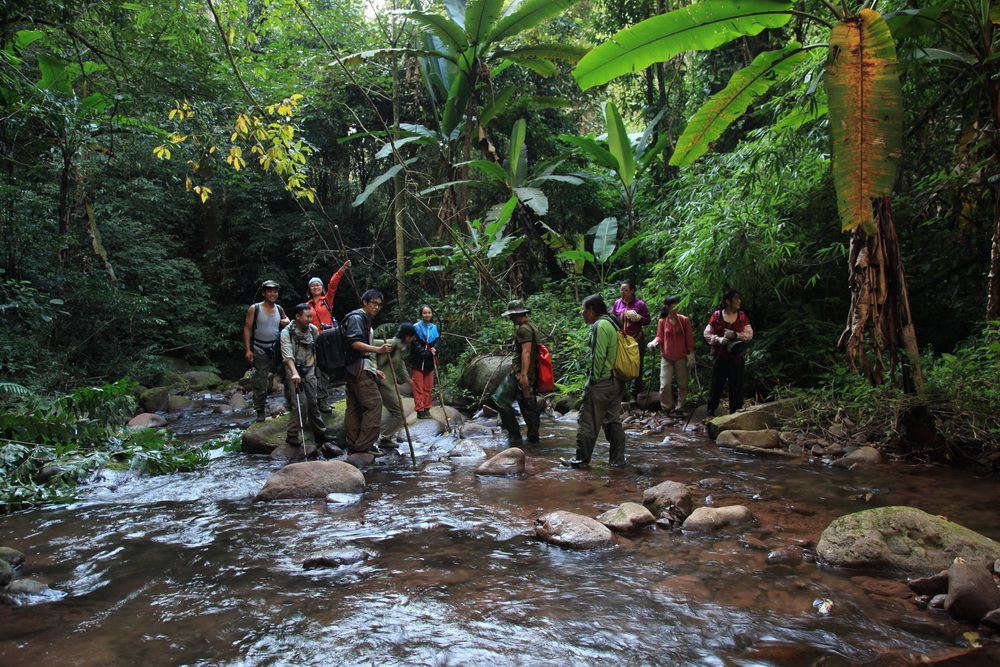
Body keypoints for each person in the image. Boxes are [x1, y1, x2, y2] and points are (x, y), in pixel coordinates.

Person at [563, 294, 627, 469]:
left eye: (583, 310)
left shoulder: (600, 325)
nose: (582, 313)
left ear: (591, 310)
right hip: (616, 381)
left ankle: (581, 460)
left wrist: (593, 381)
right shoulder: (613, 323)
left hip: (602, 382)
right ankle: (617, 461)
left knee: (588, 420)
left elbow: (598, 357)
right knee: (613, 420)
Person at [341, 289, 392, 453]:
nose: (376, 307)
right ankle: (365, 444)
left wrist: (374, 369)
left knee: (354, 406)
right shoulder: (357, 318)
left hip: (353, 367)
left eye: (379, 305)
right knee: (374, 403)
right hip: (358, 369)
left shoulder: (359, 318)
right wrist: (378, 349)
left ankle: (354, 443)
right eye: (373, 303)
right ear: (364, 302)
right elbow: (354, 343)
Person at [280, 303, 329, 450]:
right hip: (292, 370)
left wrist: (311, 364)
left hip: (309, 369)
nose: (310, 319)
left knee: (313, 402)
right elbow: (287, 355)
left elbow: (315, 349)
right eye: (307, 316)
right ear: (297, 316)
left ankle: (321, 434)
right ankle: (292, 435)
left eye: (311, 316)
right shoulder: (286, 333)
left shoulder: (313, 330)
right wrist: (295, 373)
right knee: (300, 404)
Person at [492, 299, 541, 446]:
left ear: (518, 314)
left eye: (511, 315)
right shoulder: (532, 326)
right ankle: (533, 437)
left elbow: (526, 352)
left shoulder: (523, 329)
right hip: (531, 371)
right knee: (527, 403)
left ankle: (515, 435)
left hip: (522, 372)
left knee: (499, 400)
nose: (510, 318)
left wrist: (523, 375)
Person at [305, 260, 352, 411]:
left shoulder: (327, 301)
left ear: (321, 287)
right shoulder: (307, 306)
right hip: (315, 340)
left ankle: (350, 395)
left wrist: (343, 269)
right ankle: (322, 400)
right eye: (313, 285)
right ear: (310, 289)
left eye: (318, 284)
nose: (316, 287)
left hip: (331, 339)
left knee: (339, 364)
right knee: (321, 370)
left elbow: (333, 284)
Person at [242, 279, 289, 422]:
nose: (273, 293)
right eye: (269, 291)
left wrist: (286, 320)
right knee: (260, 381)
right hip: (259, 348)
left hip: (276, 348)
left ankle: (291, 403)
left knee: (287, 377)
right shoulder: (254, 308)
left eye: (275, 291)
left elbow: (286, 321)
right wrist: (248, 349)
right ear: (264, 293)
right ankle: (260, 410)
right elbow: (247, 328)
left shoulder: (279, 309)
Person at [704, 290, 754, 417]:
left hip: (737, 357)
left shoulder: (742, 316)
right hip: (720, 355)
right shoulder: (717, 315)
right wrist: (718, 339)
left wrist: (736, 335)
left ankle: (735, 413)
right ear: (728, 301)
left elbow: (749, 334)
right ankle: (711, 410)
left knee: (736, 385)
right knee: (716, 383)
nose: (739, 301)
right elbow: (707, 333)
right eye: (736, 299)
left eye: (739, 299)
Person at [371, 323, 417, 449]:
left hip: (389, 383)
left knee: (397, 411)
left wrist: (408, 380)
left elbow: (400, 365)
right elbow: (369, 342)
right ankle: (384, 438)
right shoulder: (390, 343)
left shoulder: (401, 347)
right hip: (382, 383)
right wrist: (375, 366)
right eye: (412, 337)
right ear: (408, 337)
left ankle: (384, 437)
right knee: (399, 412)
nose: (413, 340)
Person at [647, 296, 696, 414]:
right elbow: (660, 336)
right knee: (665, 384)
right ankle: (666, 407)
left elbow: (689, 339)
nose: (676, 309)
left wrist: (691, 354)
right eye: (673, 307)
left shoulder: (684, 320)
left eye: (677, 306)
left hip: (681, 356)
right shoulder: (662, 321)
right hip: (666, 357)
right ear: (667, 307)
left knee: (682, 384)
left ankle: (680, 406)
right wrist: (654, 342)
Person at [612, 279, 651, 397]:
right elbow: (612, 318)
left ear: (632, 291)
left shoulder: (640, 304)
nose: (623, 292)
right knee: (620, 365)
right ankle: (621, 393)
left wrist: (638, 318)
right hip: (621, 341)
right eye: (621, 289)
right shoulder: (617, 303)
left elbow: (648, 320)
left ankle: (635, 393)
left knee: (637, 365)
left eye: (626, 290)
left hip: (636, 339)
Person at [410, 305, 439, 419]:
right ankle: (420, 410)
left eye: (429, 313)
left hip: (429, 362)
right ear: (421, 314)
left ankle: (427, 408)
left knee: (428, 387)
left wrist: (435, 349)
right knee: (418, 387)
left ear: (431, 314)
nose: (427, 315)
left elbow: (437, 341)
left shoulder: (434, 327)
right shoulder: (415, 327)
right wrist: (425, 353)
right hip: (418, 361)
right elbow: (414, 344)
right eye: (425, 313)